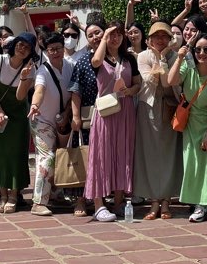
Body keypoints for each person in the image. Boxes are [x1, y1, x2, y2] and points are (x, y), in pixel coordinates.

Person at [167, 32, 207, 224]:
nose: (201, 53)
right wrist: (179, 57)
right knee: (194, 165)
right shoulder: (188, 68)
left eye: (206, 50)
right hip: (190, 124)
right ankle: (200, 205)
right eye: (198, 49)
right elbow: (171, 81)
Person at [85, 21, 141, 222]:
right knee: (101, 156)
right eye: (111, 34)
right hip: (105, 111)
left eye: (118, 34)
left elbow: (138, 83)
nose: (115, 38)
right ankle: (99, 205)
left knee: (122, 153)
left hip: (125, 109)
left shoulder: (128, 59)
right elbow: (96, 62)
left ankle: (118, 202)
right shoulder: (98, 56)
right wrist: (104, 37)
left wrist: (130, 91)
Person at [0, 32, 36, 213]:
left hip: (18, 117)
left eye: (27, 47)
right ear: (14, 45)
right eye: (20, 44)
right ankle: (2, 195)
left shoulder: (30, 68)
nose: (22, 49)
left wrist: (24, 77)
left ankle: (13, 196)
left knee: (15, 155)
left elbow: (21, 97)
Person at [133, 21, 183, 219]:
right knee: (150, 154)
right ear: (149, 39)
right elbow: (150, 80)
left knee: (169, 153)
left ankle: (167, 201)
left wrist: (163, 58)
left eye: (164, 36)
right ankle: (154, 200)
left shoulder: (176, 56)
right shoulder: (143, 56)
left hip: (170, 107)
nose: (160, 40)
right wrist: (159, 60)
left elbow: (166, 81)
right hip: (148, 108)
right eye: (157, 36)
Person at [28, 33, 74, 216]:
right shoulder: (42, 71)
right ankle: (38, 201)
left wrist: (67, 114)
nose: (55, 52)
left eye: (58, 48)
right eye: (51, 50)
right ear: (46, 52)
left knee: (62, 156)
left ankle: (57, 192)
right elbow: (39, 90)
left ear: (64, 48)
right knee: (47, 157)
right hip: (42, 121)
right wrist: (34, 105)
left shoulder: (71, 66)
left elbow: (75, 92)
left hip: (64, 119)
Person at [69, 14, 104, 217]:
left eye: (97, 32)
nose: (95, 37)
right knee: (85, 158)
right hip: (88, 118)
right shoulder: (82, 62)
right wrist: (75, 116)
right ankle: (81, 199)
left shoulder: (114, 58)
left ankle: (104, 197)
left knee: (104, 159)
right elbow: (75, 91)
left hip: (111, 116)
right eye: (90, 35)